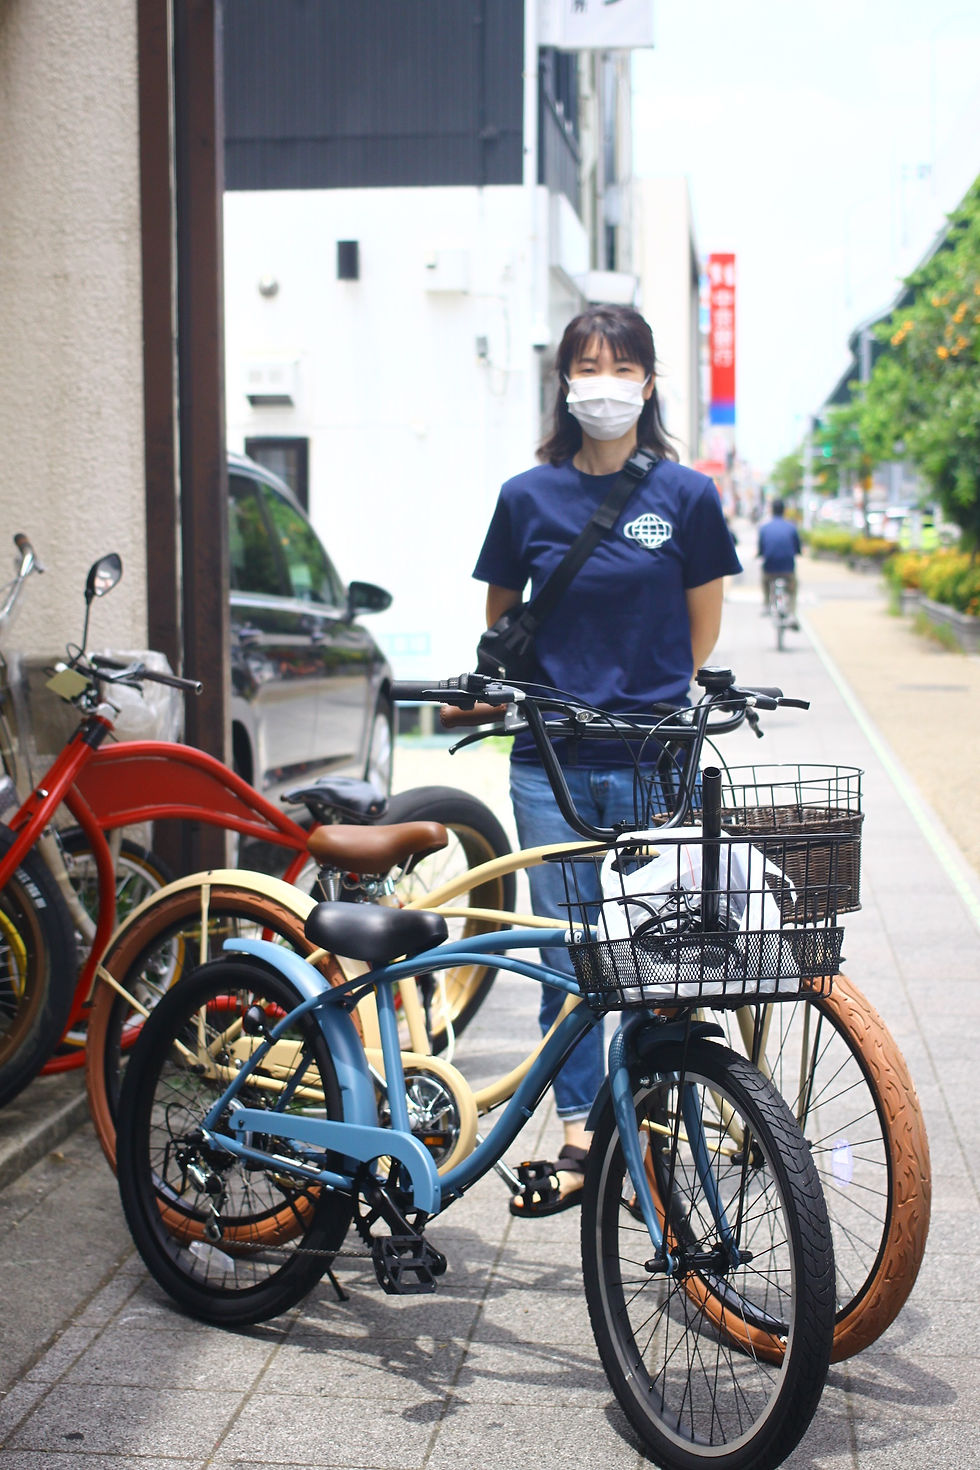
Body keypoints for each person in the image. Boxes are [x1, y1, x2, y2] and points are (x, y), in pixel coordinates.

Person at [471, 303, 742, 1216]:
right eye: (587, 366)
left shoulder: (688, 497)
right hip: (550, 763)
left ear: (649, 383)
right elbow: (503, 618)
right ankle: (584, 1132)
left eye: (622, 367)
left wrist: (647, 695)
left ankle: (653, 1118)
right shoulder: (526, 497)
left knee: (660, 953)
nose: (604, 384)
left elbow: (701, 628)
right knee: (572, 952)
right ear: (564, 383)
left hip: (657, 760)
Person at [757, 499, 801, 625]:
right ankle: (792, 614)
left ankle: (766, 604)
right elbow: (797, 548)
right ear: (784, 511)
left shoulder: (764, 528)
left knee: (765, 580)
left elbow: (761, 550)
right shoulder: (792, 527)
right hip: (788, 567)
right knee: (792, 588)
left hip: (770, 567)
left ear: (772, 510)